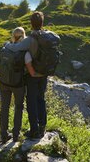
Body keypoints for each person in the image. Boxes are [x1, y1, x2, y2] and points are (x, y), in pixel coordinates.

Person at [23, 11, 60, 139]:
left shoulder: (30, 40)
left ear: (31, 24)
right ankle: (42, 127)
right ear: (42, 23)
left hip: (32, 75)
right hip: (44, 74)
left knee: (31, 101)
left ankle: (33, 130)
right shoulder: (47, 38)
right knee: (41, 99)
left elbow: (24, 55)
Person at [0, 27, 28, 143]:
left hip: (4, 82)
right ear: (22, 37)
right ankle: (16, 135)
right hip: (18, 84)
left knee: (4, 108)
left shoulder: (5, 47)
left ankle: (3, 135)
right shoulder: (24, 51)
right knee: (18, 108)